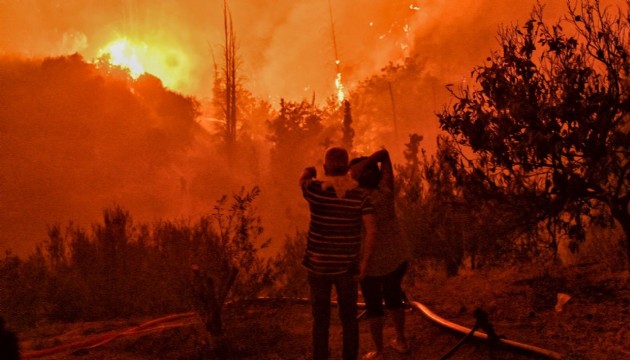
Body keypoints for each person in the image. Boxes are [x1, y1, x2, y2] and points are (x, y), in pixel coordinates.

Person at [300, 146, 376, 360]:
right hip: (347, 267)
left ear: (325, 167)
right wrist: (364, 263)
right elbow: (372, 229)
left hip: (317, 265)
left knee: (320, 320)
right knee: (349, 318)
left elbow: (302, 181)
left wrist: (308, 171)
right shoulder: (359, 195)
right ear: (347, 168)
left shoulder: (315, 190)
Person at [350, 148, 412, 359]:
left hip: (369, 261)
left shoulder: (354, 198)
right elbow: (385, 153)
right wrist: (367, 162)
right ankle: (401, 340)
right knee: (393, 296)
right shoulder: (385, 191)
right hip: (396, 256)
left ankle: (378, 349)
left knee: (373, 304)